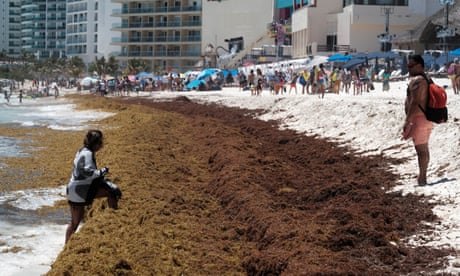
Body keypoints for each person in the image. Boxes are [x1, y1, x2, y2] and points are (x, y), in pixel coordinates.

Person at [65, 129, 122, 243]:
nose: (101, 145)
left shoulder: (82, 150)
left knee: (74, 223)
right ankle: (114, 219)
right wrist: (102, 171)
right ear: (95, 144)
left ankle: (66, 247)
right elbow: (86, 172)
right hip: (80, 191)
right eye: (100, 142)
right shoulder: (89, 154)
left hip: (74, 189)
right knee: (112, 192)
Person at [402, 55, 433, 186]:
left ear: (419, 66)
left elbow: (414, 102)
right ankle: (422, 176)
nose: (408, 68)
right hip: (427, 117)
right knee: (424, 148)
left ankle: (422, 178)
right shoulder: (427, 78)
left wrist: (407, 121)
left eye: (410, 66)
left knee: (420, 150)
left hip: (419, 118)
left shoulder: (417, 81)